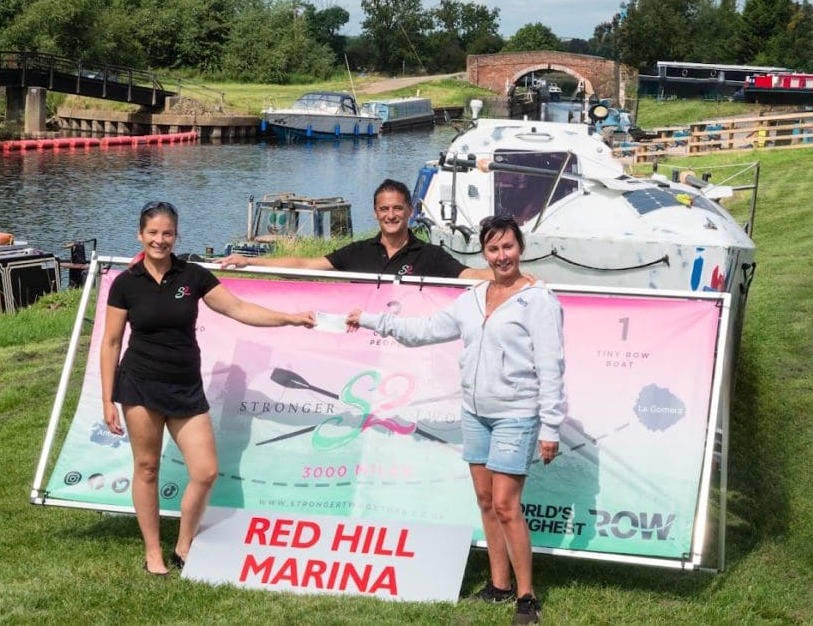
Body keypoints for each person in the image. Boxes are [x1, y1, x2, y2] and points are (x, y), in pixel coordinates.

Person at [345, 216, 565, 625]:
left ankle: (527, 597)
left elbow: (551, 367)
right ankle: (499, 587)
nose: (502, 256)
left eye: (508, 248)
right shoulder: (473, 297)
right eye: (493, 249)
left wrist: (550, 426)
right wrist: (373, 320)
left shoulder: (539, 300)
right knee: (485, 502)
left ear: (521, 248)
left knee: (506, 505)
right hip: (475, 413)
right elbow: (424, 330)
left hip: (515, 414)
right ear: (484, 252)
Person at [101, 200, 315, 576]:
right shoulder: (125, 284)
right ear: (140, 235)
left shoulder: (193, 276)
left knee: (205, 471)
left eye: (167, 233)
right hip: (140, 385)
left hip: (185, 387)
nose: (160, 240)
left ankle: (184, 543)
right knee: (147, 467)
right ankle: (153, 552)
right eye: (152, 232)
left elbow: (238, 309)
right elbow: (111, 343)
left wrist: (289, 318)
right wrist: (108, 400)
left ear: (176, 236)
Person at [217, 178, 490, 280]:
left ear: (409, 211)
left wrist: (512, 277)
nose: (391, 215)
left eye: (397, 208)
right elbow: (304, 264)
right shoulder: (358, 252)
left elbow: (469, 275)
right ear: (375, 213)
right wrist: (249, 262)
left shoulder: (430, 255)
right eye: (384, 209)